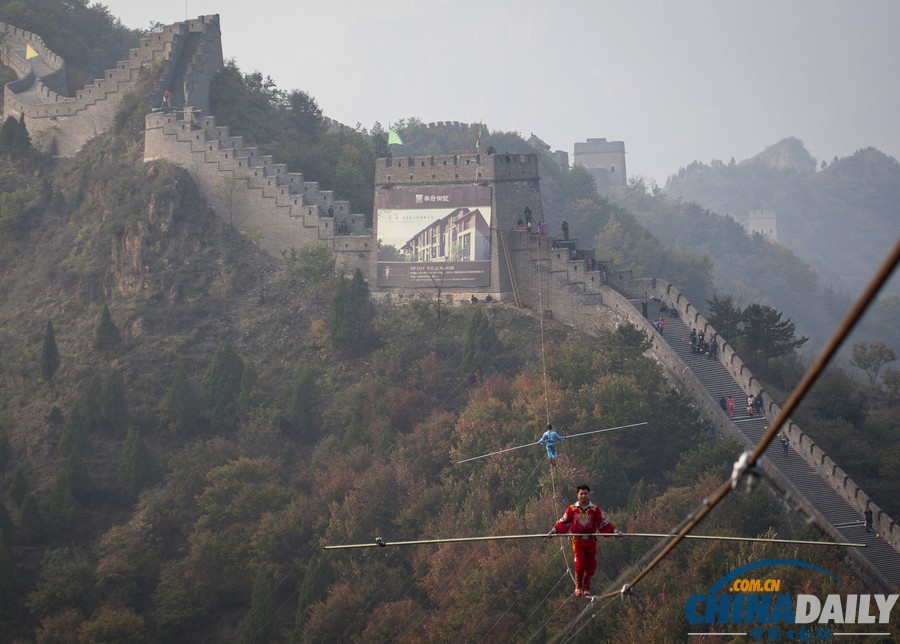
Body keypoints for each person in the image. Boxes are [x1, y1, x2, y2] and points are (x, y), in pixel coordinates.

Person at [546, 485, 622, 597]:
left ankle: (586, 588)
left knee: (591, 566)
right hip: (578, 541)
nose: (583, 496)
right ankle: (578, 586)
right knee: (580, 563)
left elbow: (603, 522)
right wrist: (553, 531)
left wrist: (615, 531)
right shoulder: (572, 509)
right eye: (581, 493)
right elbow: (564, 521)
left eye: (585, 493)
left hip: (591, 541)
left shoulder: (594, 509)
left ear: (588, 494)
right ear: (577, 495)